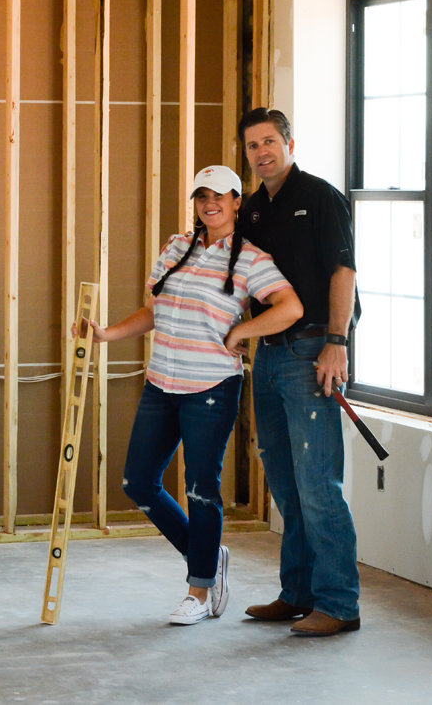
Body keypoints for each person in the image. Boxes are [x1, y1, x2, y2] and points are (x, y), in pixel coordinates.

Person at [81, 165, 302, 626]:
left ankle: (197, 592)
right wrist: (106, 334)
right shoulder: (176, 247)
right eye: (201, 196)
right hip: (162, 381)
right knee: (137, 482)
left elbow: (290, 307)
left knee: (202, 489)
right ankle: (207, 556)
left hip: (212, 387)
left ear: (237, 201)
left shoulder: (250, 259)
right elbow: (153, 311)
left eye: (219, 196)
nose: (209, 204)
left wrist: (244, 328)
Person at [236, 108, 361, 637]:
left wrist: (337, 343)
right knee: (285, 485)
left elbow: (343, 272)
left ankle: (339, 604)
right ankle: (298, 594)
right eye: (251, 146)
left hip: (312, 348)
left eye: (269, 141)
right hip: (268, 353)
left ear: (289, 142)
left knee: (317, 484)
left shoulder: (320, 196)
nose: (261, 152)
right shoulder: (254, 210)